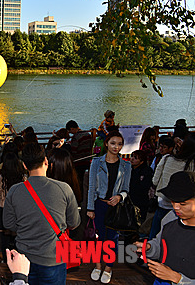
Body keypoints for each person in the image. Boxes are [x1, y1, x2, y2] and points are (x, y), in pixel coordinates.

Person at [3, 142, 80, 285]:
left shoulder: (14, 191)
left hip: (24, 260)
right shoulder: (64, 189)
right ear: (46, 161)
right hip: (54, 259)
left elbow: (8, 224)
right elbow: (74, 223)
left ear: (24, 166)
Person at [134, 171, 195, 285]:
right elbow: (161, 245)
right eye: (173, 201)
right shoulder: (170, 218)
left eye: (183, 203)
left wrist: (178, 279)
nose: (175, 207)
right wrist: (149, 248)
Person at [87, 130, 131, 284]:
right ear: (106, 143)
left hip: (115, 208)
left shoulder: (126, 165)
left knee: (112, 239)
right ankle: (98, 265)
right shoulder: (96, 162)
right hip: (99, 205)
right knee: (98, 237)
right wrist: (90, 208)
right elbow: (91, 186)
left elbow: (126, 189)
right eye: (113, 143)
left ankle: (109, 267)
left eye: (119, 144)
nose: (116, 147)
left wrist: (120, 197)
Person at [149, 132, 195, 240]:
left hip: (163, 201)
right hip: (183, 207)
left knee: (155, 233)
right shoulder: (191, 164)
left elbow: (155, 180)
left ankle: (148, 253)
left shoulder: (166, 158)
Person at [66, 120, 94, 191]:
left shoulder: (76, 137)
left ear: (72, 129)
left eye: (70, 131)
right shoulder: (87, 134)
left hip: (78, 162)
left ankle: (79, 195)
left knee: (78, 180)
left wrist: (69, 145)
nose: (70, 133)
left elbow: (74, 151)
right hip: (87, 160)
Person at [129, 150, 154, 222]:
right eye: (132, 156)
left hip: (140, 201)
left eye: (135, 158)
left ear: (141, 161)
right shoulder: (128, 169)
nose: (132, 159)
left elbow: (144, 187)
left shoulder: (146, 171)